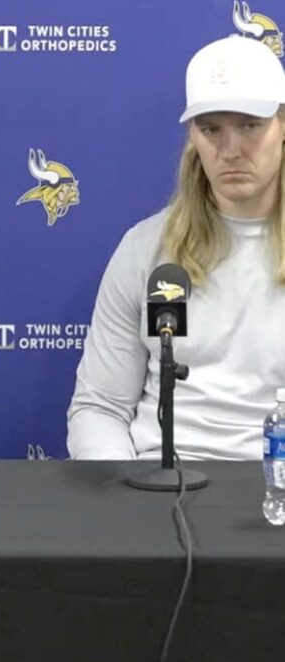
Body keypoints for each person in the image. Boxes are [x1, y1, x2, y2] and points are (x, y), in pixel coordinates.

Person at [68, 35, 285, 460]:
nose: (231, 150)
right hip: (159, 491)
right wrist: (121, 501)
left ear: (282, 126)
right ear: (193, 136)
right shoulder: (145, 248)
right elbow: (100, 408)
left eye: (250, 126)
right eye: (212, 130)